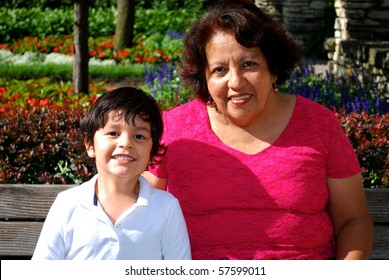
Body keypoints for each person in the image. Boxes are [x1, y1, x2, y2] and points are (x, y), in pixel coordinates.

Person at [143, 0, 374, 260]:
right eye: (219, 70)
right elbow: (140, 216)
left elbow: (353, 222)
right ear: (205, 79)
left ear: (273, 68)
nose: (236, 82)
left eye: (249, 65)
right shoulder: (174, 129)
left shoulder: (319, 125)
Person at [32, 87, 191, 260]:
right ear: (90, 145)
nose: (125, 143)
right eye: (113, 133)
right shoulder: (68, 204)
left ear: (152, 152)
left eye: (139, 136)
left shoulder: (166, 208)